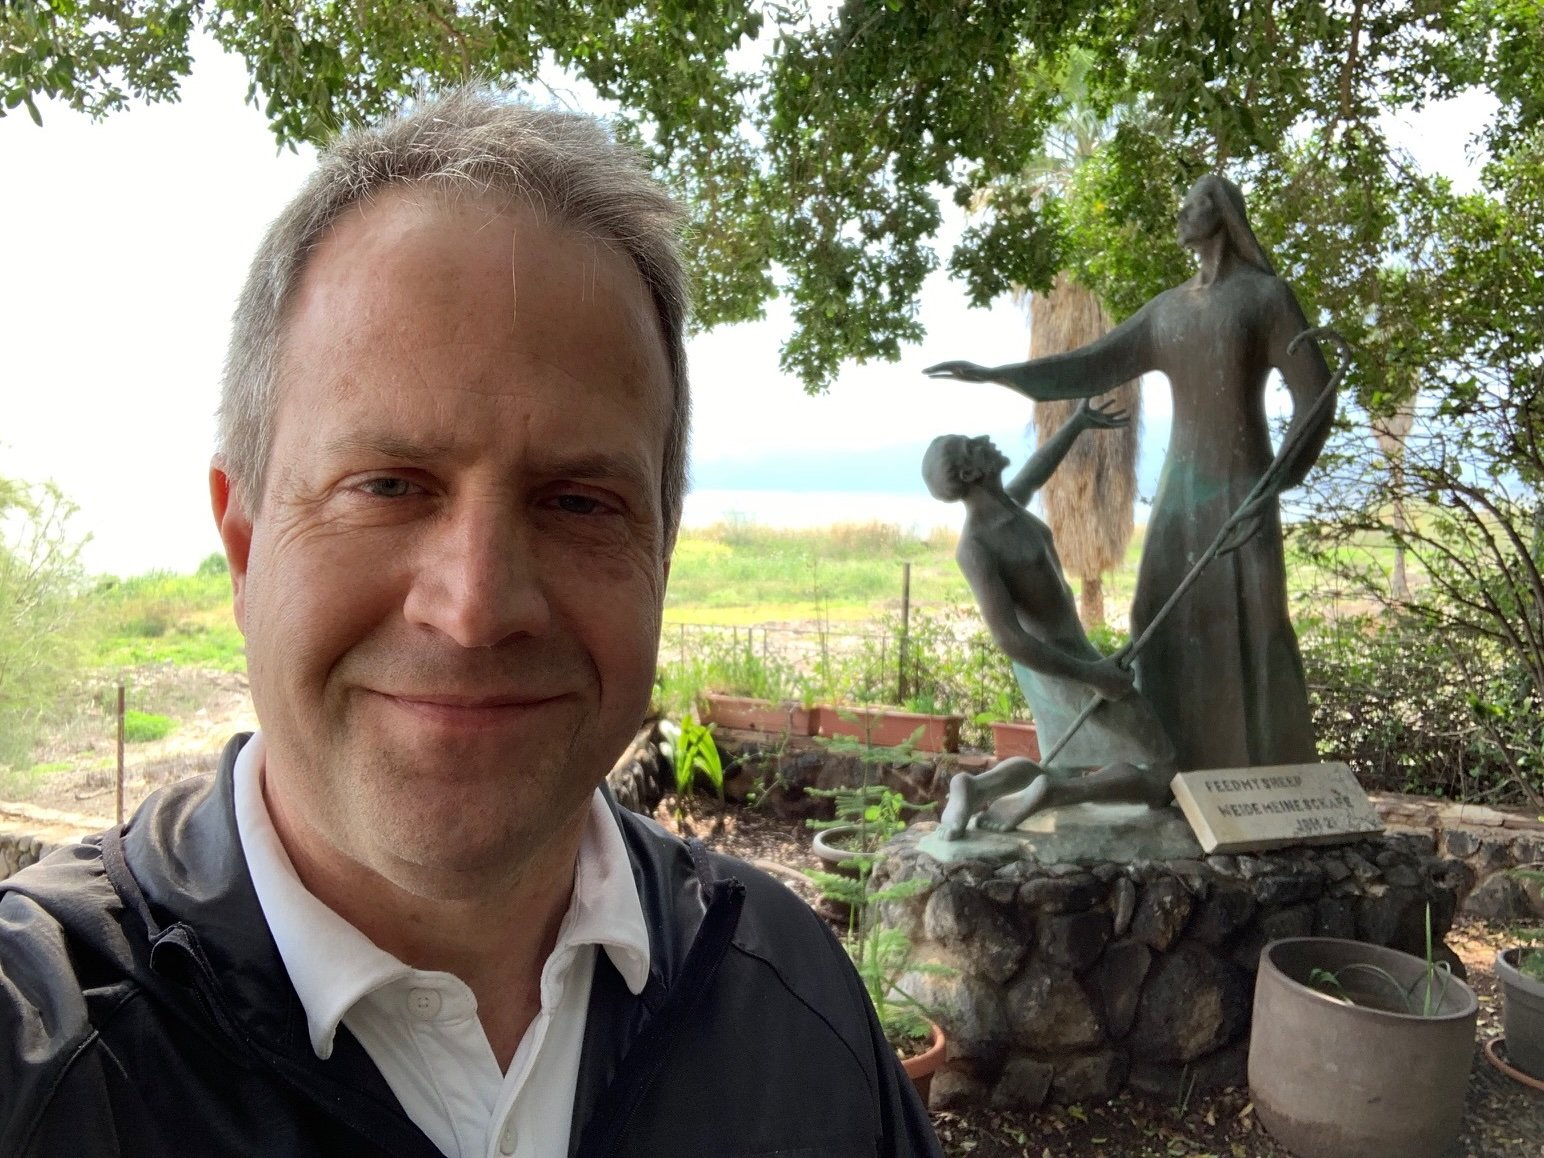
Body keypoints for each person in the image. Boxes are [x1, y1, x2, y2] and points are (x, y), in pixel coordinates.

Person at [0, 90, 941, 1158]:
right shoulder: (40, 1055)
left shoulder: (792, 1007)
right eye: (388, 485)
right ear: (245, 543)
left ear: (662, 558)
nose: (477, 607)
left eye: (578, 502)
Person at [926, 175, 1335, 773]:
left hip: (1242, 483)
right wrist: (997, 374)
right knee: (1155, 612)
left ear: (1222, 213)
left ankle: (1263, 767)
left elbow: (1315, 397)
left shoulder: (1265, 298)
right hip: (1180, 490)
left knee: (1254, 617)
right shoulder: (1168, 310)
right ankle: (1168, 768)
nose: (1181, 212)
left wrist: (1275, 481)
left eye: (1193, 203)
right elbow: (1089, 364)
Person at [918, 403, 1176, 841]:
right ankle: (1055, 795)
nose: (984, 440)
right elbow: (1009, 637)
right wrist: (1092, 674)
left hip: (1065, 659)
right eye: (972, 446)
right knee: (1162, 773)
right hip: (1058, 665)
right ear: (969, 473)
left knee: (1059, 760)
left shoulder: (1009, 507)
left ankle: (978, 787)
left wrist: (1077, 423)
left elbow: (1037, 470)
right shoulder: (976, 546)